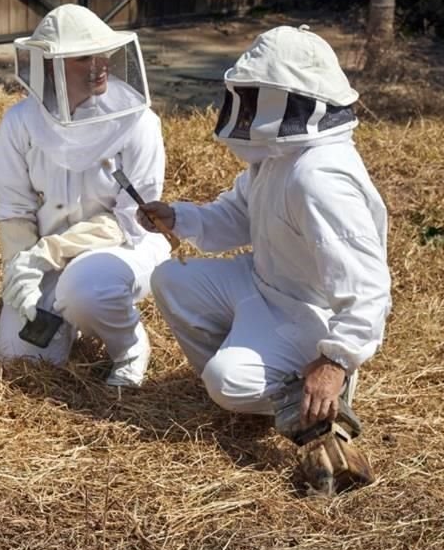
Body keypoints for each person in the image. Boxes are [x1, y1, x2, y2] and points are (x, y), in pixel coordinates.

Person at [142, 25, 391, 426]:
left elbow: (367, 287)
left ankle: (318, 400)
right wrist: (179, 218)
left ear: (289, 98)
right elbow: (240, 215)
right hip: (263, 280)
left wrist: (336, 360)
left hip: (306, 311)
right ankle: (266, 372)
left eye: (258, 95)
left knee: (228, 382)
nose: (249, 106)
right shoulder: (278, 155)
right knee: (172, 280)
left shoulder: (320, 178)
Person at [0, 4, 171, 386]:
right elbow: (14, 208)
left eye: (102, 53)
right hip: (46, 258)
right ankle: (66, 315)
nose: (100, 64)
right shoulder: (19, 123)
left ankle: (130, 346)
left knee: (84, 290)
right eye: (83, 57)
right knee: (16, 356)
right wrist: (20, 269)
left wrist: (48, 252)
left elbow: (131, 219)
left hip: (124, 249)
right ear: (50, 64)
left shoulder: (138, 122)